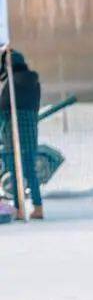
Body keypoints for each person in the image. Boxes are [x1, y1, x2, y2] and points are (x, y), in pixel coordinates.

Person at [0, 49, 43, 220]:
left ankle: (19, 210)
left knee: (14, 172)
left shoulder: (11, 84)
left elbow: (3, 108)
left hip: (13, 133)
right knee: (30, 171)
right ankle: (38, 208)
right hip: (30, 131)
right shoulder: (34, 83)